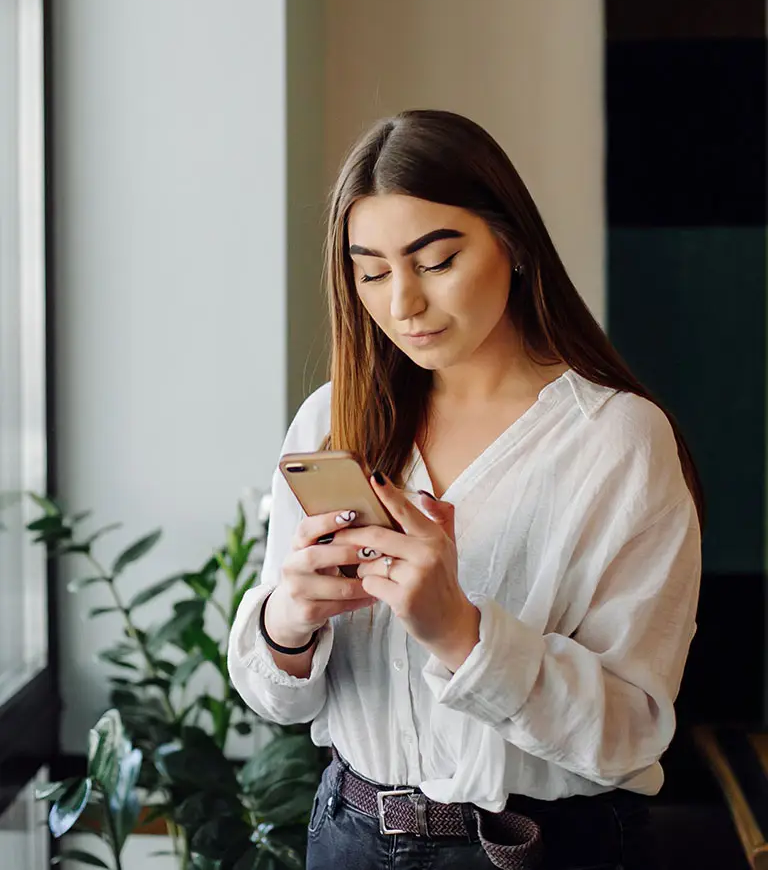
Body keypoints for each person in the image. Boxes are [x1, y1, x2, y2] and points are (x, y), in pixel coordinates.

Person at [228, 110, 702, 870]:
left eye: (436, 260)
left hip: (534, 848)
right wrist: (290, 620)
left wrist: (461, 631)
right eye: (372, 271)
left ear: (510, 242)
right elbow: (276, 700)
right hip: (344, 836)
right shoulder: (332, 417)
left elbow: (631, 733)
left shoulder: (617, 440)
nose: (402, 303)